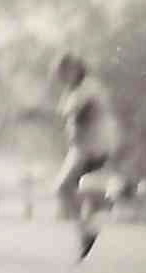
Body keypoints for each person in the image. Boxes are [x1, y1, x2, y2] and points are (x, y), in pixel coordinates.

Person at [53, 54, 121, 261]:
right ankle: (89, 226)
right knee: (78, 192)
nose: (61, 77)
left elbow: (72, 113)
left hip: (92, 145)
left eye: (63, 72)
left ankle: (88, 228)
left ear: (75, 69)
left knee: (63, 188)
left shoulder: (87, 88)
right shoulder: (76, 89)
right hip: (87, 145)